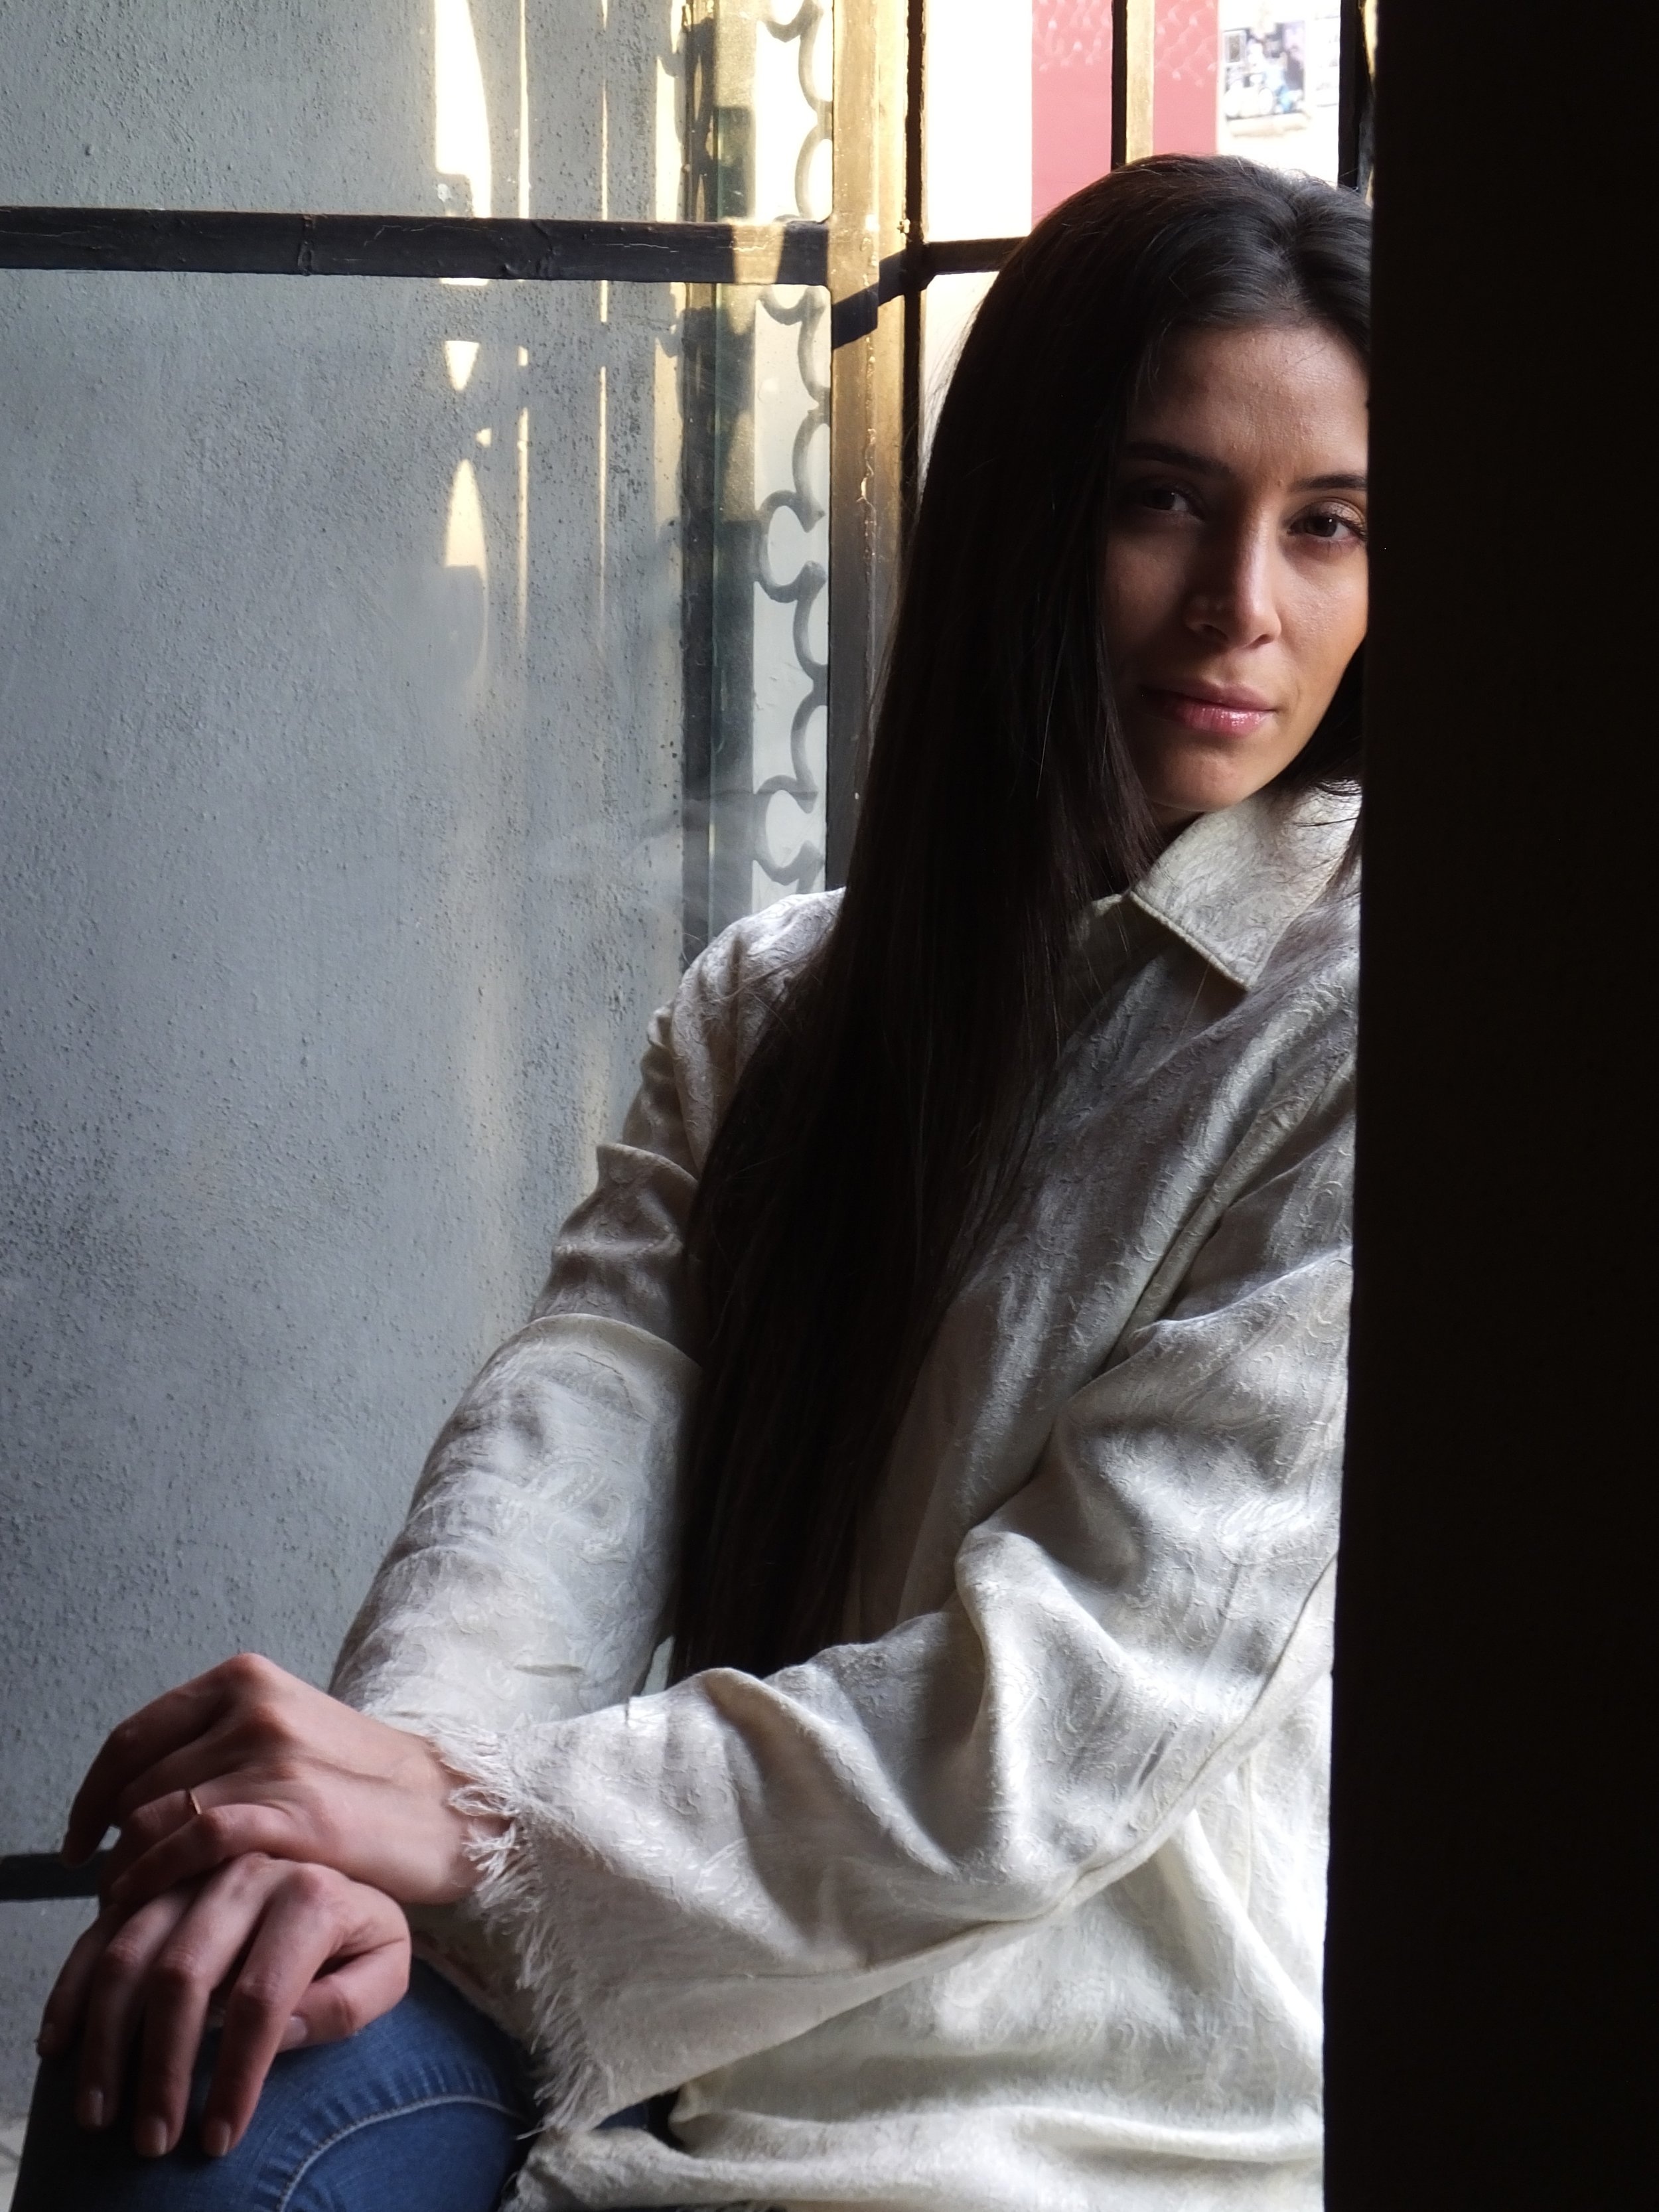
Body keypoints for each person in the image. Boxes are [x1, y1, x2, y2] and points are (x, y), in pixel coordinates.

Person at [16, 155, 1372, 2211]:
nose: (1241, 610)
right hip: (633, 1989)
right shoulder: (786, 998)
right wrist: (358, 1825)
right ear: (1021, 511)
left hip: (1071, 2084)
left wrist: (466, 1826)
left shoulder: (1371, 1026)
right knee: (182, 2062)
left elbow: (1078, 1699)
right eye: (1160, 497)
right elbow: (569, 1449)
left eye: (1329, 526)